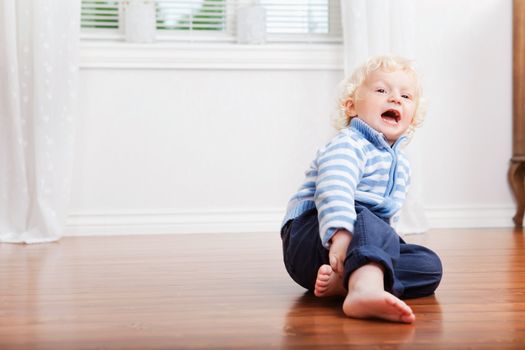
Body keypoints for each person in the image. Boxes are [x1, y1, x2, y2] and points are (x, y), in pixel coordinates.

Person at [280, 55, 442, 324]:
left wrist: (386, 246)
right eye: (382, 90)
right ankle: (364, 289)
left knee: (429, 265)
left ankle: (345, 284)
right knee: (366, 216)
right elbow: (334, 189)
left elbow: (385, 223)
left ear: (412, 118)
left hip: (341, 259)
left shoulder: (400, 163)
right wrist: (341, 235)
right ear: (351, 106)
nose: (395, 99)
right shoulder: (349, 144)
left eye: (406, 96)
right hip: (313, 238)